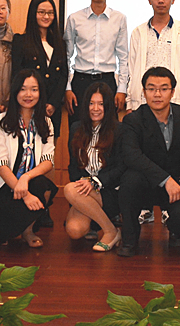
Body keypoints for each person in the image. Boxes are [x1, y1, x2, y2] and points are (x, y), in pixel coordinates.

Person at [116, 67, 180, 256]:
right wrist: (165, 179)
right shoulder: (133, 120)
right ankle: (129, 238)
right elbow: (131, 156)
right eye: (151, 88)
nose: (157, 94)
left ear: (172, 91)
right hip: (145, 181)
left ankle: (176, 231)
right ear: (144, 91)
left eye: (163, 89)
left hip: (177, 179)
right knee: (129, 182)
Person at [0, 70, 58, 249]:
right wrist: (24, 194)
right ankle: (7, 230)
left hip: (28, 182)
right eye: (23, 89)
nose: (28, 95)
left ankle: (27, 231)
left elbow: (48, 160)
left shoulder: (46, 122)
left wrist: (26, 178)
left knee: (43, 186)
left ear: (40, 93)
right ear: (15, 92)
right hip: (3, 184)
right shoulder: (0, 121)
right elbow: (0, 163)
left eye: (34, 89)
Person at [64, 0, 129, 124]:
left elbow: (123, 57)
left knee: (109, 130)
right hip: (80, 81)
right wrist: (67, 88)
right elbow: (66, 55)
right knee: (78, 128)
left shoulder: (119, 19)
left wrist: (122, 89)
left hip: (108, 80)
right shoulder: (75, 18)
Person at [64, 82, 123, 252]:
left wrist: (95, 182)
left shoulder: (119, 130)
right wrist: (83, 183)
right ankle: (102, 225)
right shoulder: (76, 128)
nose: (95, 108)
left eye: (101, 104)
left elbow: (121, 167)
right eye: (91, 103)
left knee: (69, 189)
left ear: (108, 107)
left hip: (109, 191)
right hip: (84, 190)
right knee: (74, 231)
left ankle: (110, 231)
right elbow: (73, 166)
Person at [127, 0, 180, 111]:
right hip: (143, 101)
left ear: (173, 0)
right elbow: (131, 70)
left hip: (176, 101)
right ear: (149, 0)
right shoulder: (138, 32)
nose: (161, 1)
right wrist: (130, 103)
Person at [12, 0, 68, 138]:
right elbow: (17, 75)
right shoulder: (20, 41)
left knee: (49, 147)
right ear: (33, 13)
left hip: (52, 109)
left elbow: (63, 75)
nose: (46, 16)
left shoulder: (60, 43)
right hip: (28, 106)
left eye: (50, 13)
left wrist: (53, 103)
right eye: (41, 12)